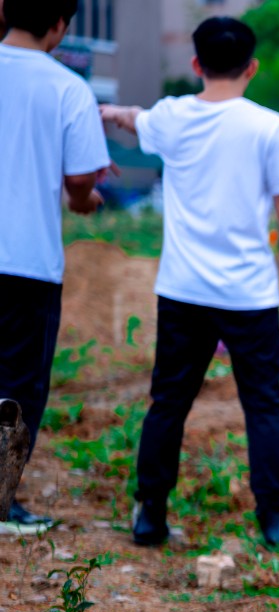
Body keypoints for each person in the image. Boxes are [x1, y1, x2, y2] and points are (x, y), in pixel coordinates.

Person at [100, 16, 279, 548]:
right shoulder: (268, 126)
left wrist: (106, 112)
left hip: (182, 290)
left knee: (167, 402)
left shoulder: (173, 118)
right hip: (248, 294)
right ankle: (274, 518)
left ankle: (150, 514)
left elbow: (136, 118)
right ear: (253, 67)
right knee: (264, 404)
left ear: (196, 64)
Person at [0, 0, 111, 536]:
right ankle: (2, 503)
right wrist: (86, 199)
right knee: (18, 387)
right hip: (27, 261)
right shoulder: (69, 88)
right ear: (60, 24)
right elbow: (79, 182)